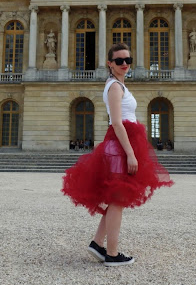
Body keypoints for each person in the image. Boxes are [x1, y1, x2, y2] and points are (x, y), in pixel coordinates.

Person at [62, 42, 173, 267]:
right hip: (120, 148)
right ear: (110, 63)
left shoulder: (119, 85)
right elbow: (117, 122)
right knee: (118, 200)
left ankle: (97, 243)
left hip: (123, 145)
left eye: (128, 60)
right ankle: (112, 254)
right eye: (119, 61)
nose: (125, 64)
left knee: (115, 200)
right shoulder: (114, 86)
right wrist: (131, 154)